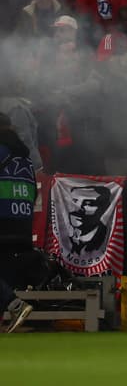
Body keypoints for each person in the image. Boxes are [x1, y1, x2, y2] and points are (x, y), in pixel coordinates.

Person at [0, 116, 35, 333]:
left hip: (3, 221)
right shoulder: (26, 160)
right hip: (23, 224)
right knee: (3, 273)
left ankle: (14, 304)